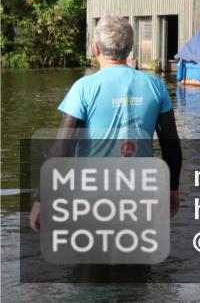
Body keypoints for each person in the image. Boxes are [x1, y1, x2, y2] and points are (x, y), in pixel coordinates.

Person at [30, 15, 182, 232]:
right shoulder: (155, 86)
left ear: (96, 48)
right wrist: (172, 189)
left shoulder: (84, 88)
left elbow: (62, 148)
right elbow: (171, 146)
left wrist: (41, 198)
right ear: (131, 48)